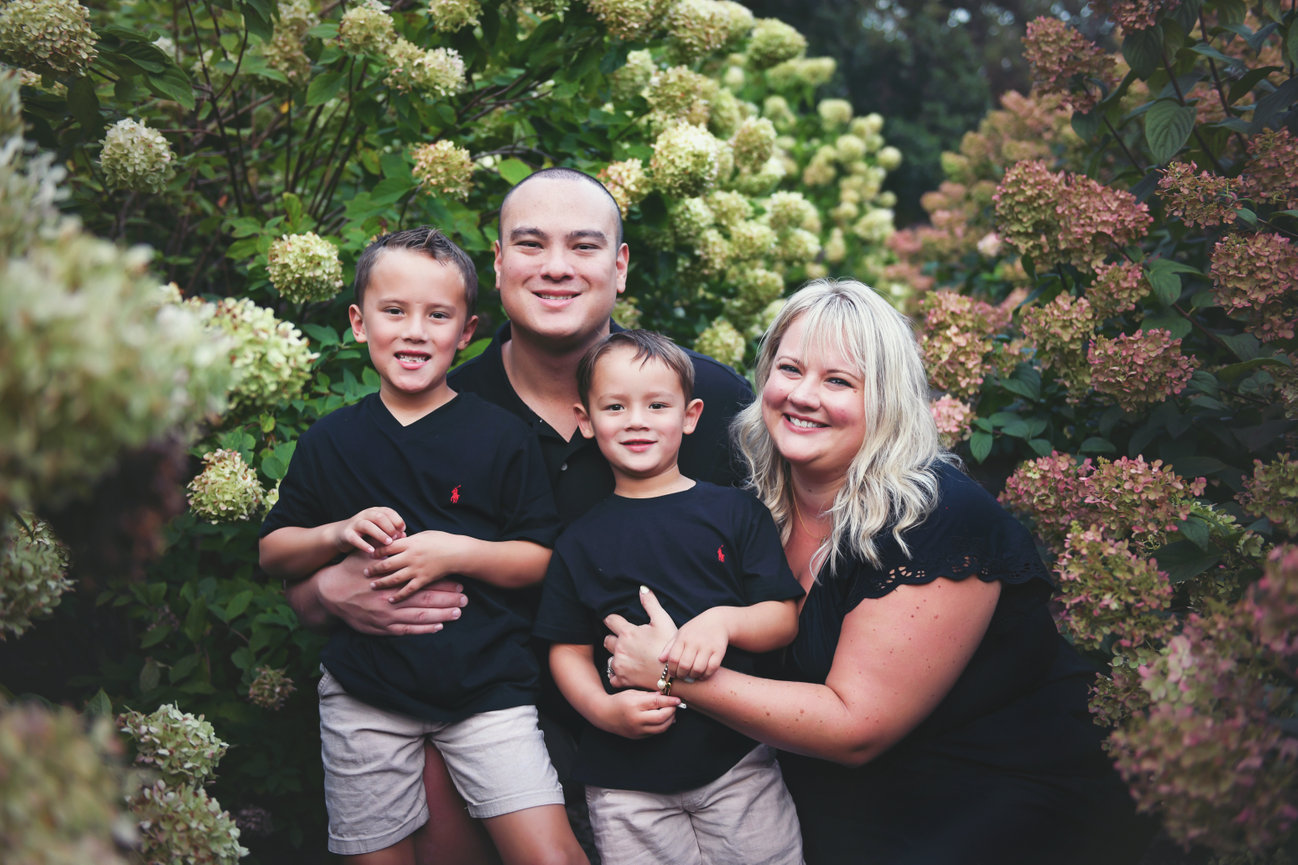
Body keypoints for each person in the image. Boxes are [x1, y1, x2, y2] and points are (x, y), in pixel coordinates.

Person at [282, 169, 754, 863]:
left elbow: (780, 574)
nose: (556, 267)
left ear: (619, 266)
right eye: (530, 244)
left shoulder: (700, 398)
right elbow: (316, 571)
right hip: (488, 737)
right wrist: (323, 592)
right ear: (499, 266)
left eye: (584, 246)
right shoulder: (446, 407)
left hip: (690, 763)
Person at [603, 279, 1152, 865]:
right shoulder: (747, 501)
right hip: (827, 790)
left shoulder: (938, 520)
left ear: (885, 399)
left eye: (838, 381)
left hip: (986, 796)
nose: (803, 396)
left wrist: (670, 674)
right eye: (789, 369)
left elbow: (855, 727)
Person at [259, 227, 588, 865]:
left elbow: (541, 559)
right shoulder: (331, 441)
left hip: (488, 691)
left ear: (466, 332)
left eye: (438, 315)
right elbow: (274, 552)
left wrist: (454, 552)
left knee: (554, 858)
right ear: (358, 323)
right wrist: (335, 533)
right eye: (394, 312)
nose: (415, 331)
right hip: (366, 696)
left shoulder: (500, 436)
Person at [534, 330, 805, 865]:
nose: (637, 420)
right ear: (585, 420)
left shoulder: (735, 513)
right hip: (625, 780)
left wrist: (722, 623)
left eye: (657, 405)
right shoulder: (578, 539)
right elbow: (563, 648)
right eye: (615, 406)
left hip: (735, 760)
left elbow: (782, 618)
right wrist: (600, 711)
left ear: (690, 414)